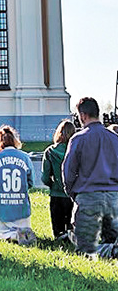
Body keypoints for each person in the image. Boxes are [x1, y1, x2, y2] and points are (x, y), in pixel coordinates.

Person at [63, 97, 118, 259]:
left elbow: (68, 172)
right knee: (112, 237)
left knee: (84, 249)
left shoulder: (78, 139)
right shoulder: (115, 139)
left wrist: (73, 194)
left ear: (83, 116)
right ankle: (111, 250)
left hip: (88, 197)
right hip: (114, 198)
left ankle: (108, 251)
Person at [0, 125, 36, 245]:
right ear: (15, 140)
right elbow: (31, 182)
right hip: (20, 206)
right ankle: (21, 233)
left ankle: (10, 235)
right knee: (23, 227)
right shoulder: (25, 157)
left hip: (0, 206)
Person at [41, 119, 76, 239]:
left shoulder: (50, 151)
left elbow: (45, 177)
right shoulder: (75, 150)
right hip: (73, 192)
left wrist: (52, 185)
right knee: (71, 224)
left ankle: (60, 237)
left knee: (58, 227)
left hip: (56, 193)